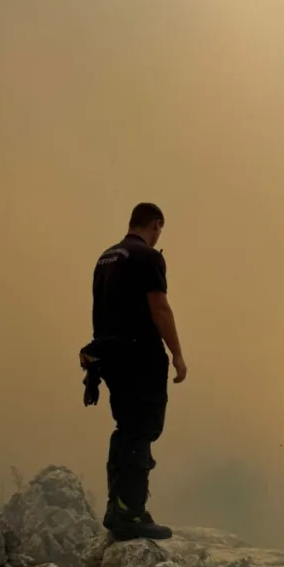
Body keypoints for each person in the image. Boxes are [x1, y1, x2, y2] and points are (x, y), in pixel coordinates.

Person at [80, 202, 187, 541]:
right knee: (142, 430)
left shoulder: (106, 257)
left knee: (126, 428)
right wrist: (177, 355)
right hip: (139, 354)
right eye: (159, 231)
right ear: (155, 224)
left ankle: (121, 506)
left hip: (109, 355)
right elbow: (159, 307)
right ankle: (130, 512)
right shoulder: (147, 257)